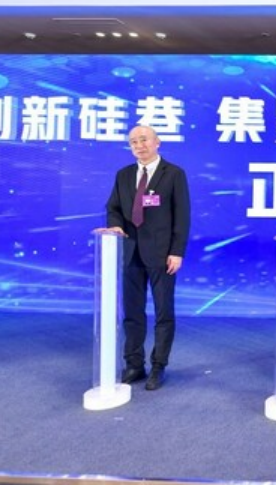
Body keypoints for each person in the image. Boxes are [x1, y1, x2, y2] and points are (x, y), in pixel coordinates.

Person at [106, 125, 191, 391]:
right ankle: (134, 364)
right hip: (130, 253)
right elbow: (113, 208)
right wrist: (115, 225)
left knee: (163, 313)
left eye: (143, 140)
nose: (139, 145)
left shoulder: (173, 174)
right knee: (132, 312)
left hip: (162, 255)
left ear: (157, 142)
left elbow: (182, 216)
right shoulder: (123, 175)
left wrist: (177, 251)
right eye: (133, 142)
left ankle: (158, 366)